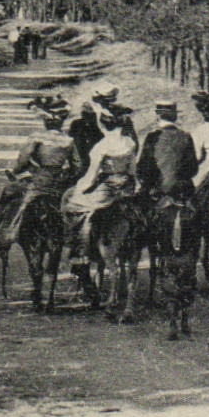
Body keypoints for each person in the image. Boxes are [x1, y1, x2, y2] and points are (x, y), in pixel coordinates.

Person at [0, 95, 82, 251]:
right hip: (59, 185)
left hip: (38, 182)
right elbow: (77, 166)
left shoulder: (36, 138)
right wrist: (66, 175)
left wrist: (15, 170)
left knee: (9, 194)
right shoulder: (68, 141)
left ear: (45, 120)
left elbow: (22, 161)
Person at [61, 99, 138, 285]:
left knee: (73, 205)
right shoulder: (129, 142)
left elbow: (91, 176)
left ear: (103, 123)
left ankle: (81, 252)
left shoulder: (101, 147)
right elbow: (132, 170)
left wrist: (80, 187)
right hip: (127, 186)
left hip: (107, 189)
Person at [137, 100, 198, 201]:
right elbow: (193, 168)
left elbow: (143, 167)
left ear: (158, 116)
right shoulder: (186, 136)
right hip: (180, 190)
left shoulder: (152, 137)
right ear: (175, 117)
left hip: (158, 190)